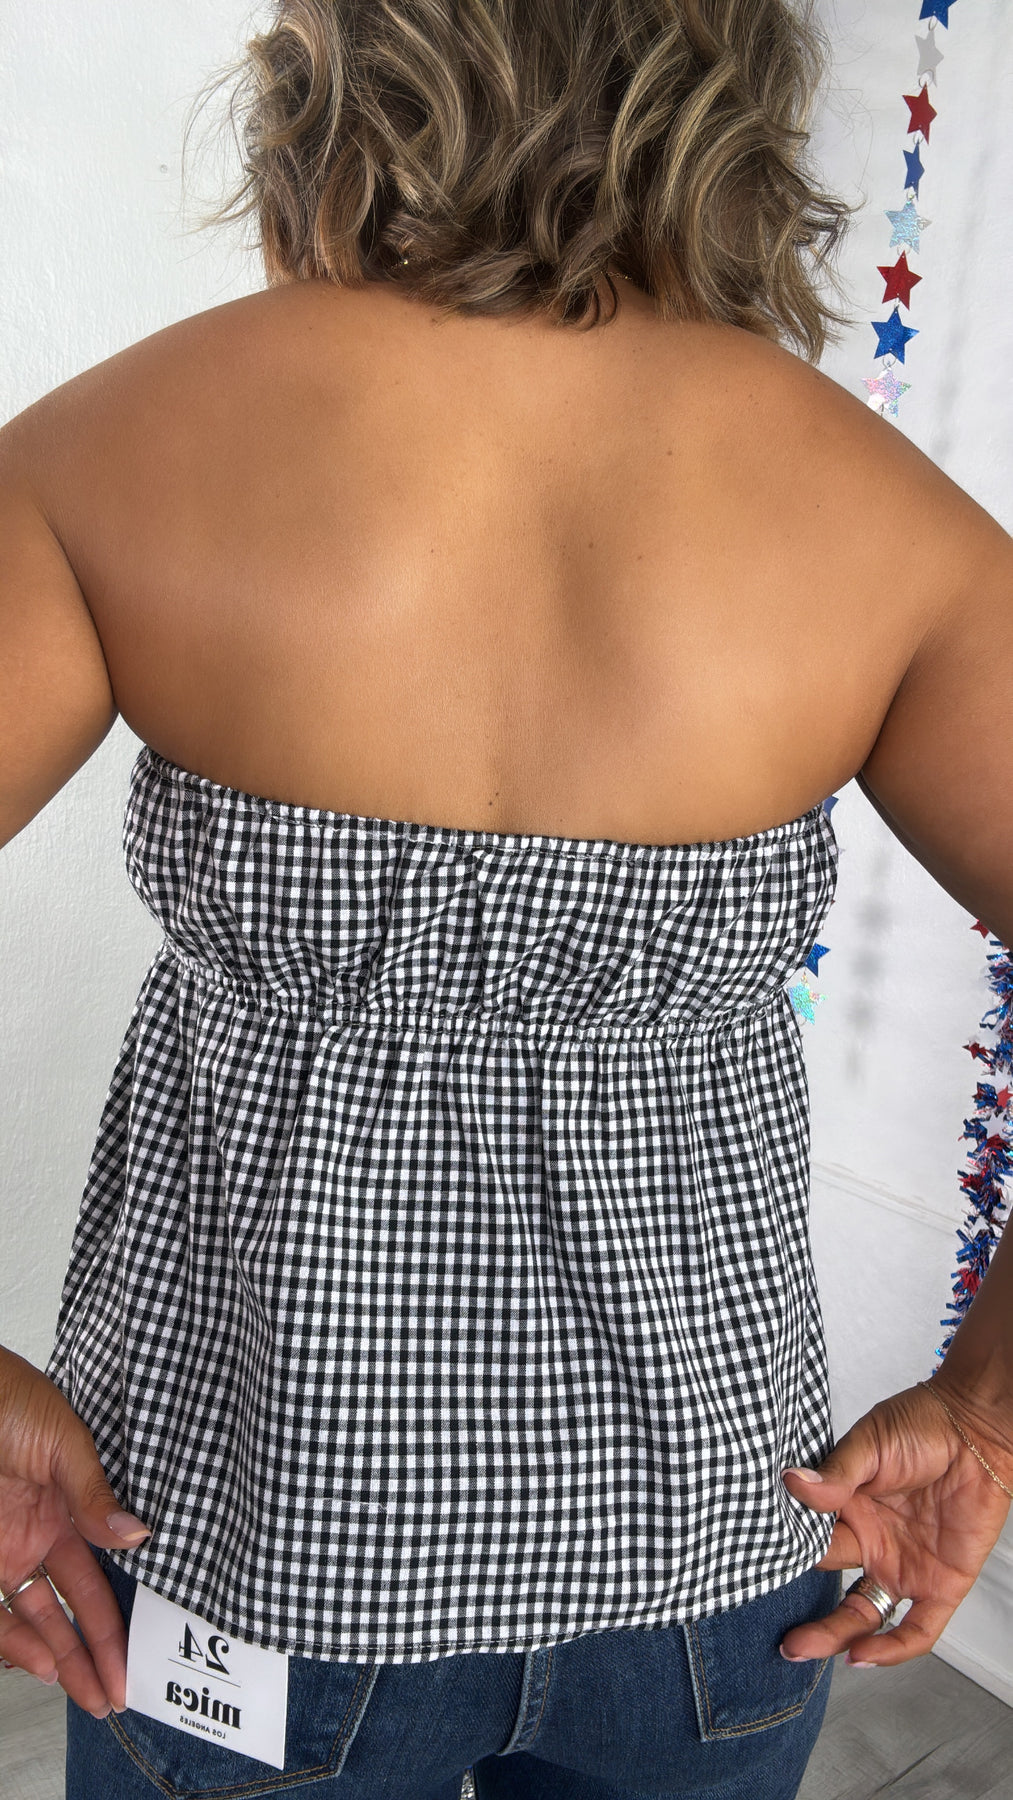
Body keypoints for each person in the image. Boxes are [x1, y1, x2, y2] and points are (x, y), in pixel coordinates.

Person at [1, 1, 1012, 1795]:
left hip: (256, 1540)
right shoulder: (893, 528)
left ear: (332, 67)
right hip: (716, 1567)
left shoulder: (104, 457)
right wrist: (989, 1411)